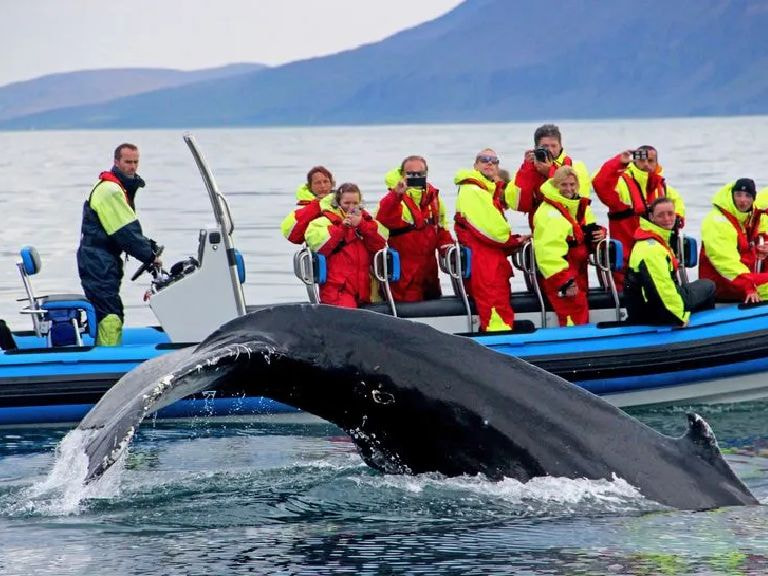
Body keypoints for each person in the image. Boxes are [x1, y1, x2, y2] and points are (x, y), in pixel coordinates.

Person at [77, 143, 161, 346]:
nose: (132, 167)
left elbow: (126, 231)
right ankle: (105, 361)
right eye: (128, 162)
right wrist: (150, 256)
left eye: (136, 162)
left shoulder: (118, 188)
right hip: (98, 261)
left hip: (102, 259)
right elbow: (126, 233)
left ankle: (104, 348)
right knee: (111, 314)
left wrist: (149, 247)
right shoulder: (110, 190)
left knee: (109, 309)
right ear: (116, 162)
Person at [454, 148, 529, 332]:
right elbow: (493, 232)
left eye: (494, 161)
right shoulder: (473, 190)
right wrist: (515, 240)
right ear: (475, 165)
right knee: (495, 313)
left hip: (491, 262)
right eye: (484, 159)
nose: (489, 163)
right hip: (486, 265)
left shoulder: (485, 191)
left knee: (498, 310)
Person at [592, 146, 685, 287]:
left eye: (650, 160)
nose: (646, 164)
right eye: (642, 160)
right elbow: (600, 184)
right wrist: (618, 162)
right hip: (627, 265)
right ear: (634, 161)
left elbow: (678, 207)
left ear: (657, 163)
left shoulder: (664, 188)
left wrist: (677, 217)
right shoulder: (621, 183)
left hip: (660, 260)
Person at [532, 166, 606, 327]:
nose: (569, 188)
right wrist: (565, 282)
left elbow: (587, 229)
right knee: (573, 314)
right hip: (562, 275)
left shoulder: (575, 206)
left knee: (579, 310)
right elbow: (548, 253)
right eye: (564, 185)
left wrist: (600, 233)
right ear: (556, 186)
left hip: (577, 271)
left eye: (572, 184)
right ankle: (577, 348)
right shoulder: (550, 213)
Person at [625, 198, 715, 326]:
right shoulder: (651, 249)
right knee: (708, 286)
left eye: (670, 214)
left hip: (648, 304)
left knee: (699, 286)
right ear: (651, 217)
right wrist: (679, 316)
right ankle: (702, 331)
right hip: (652, 311)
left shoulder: (656, 239)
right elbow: (662, 287)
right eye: (660, 215)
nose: (667, 219)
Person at [376, 155, 454, 302]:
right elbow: (384, 217)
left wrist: (449, 250)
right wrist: (396, 194)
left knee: (433, 299)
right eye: (410, 174)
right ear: (402, 174)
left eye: (420, 174)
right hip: (405, 274)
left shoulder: (434, 198)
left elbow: (442, 229)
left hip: (429, 272)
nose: (415, 177)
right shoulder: (394, 198)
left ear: (426, 174)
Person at [304, 183, 388, 308]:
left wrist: (362, 225)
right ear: (338, 203)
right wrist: (342, 228)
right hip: (338, 290)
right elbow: (319, 245)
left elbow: (381, 241)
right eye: (347, 203)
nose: (351, 207)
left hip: (365, 290)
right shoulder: (321, 222)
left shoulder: (368, 221)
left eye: (355, 203)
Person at [699, 179, 768, 302]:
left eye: (748, 196)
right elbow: (726, 263)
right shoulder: (718, 222)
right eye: (738, 195)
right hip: (725, 285)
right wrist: (749, 287)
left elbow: (744, 250)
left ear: (754, 199)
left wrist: (758, 249)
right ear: (732, 195)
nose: (742, 200)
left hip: (742, 280)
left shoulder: (747, 217)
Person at [512, 124, 591, 228]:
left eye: (553, 146)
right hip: (541, 229)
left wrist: (550, 172)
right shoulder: (527, 169)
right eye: (545, 146)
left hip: (572, 228)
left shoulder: (576, 166)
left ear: (561, 146)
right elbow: (518, 204)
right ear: (536, 148)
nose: (550, 150)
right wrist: (527, 168)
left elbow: (577, 202)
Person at [281, 165, 334, 244]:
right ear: (310, 187)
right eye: (317, 183)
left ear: (331, 184)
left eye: (326, 181)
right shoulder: (306, 207)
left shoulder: (344, 201)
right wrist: (317, 204)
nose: (323, 186)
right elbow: (294, 237)